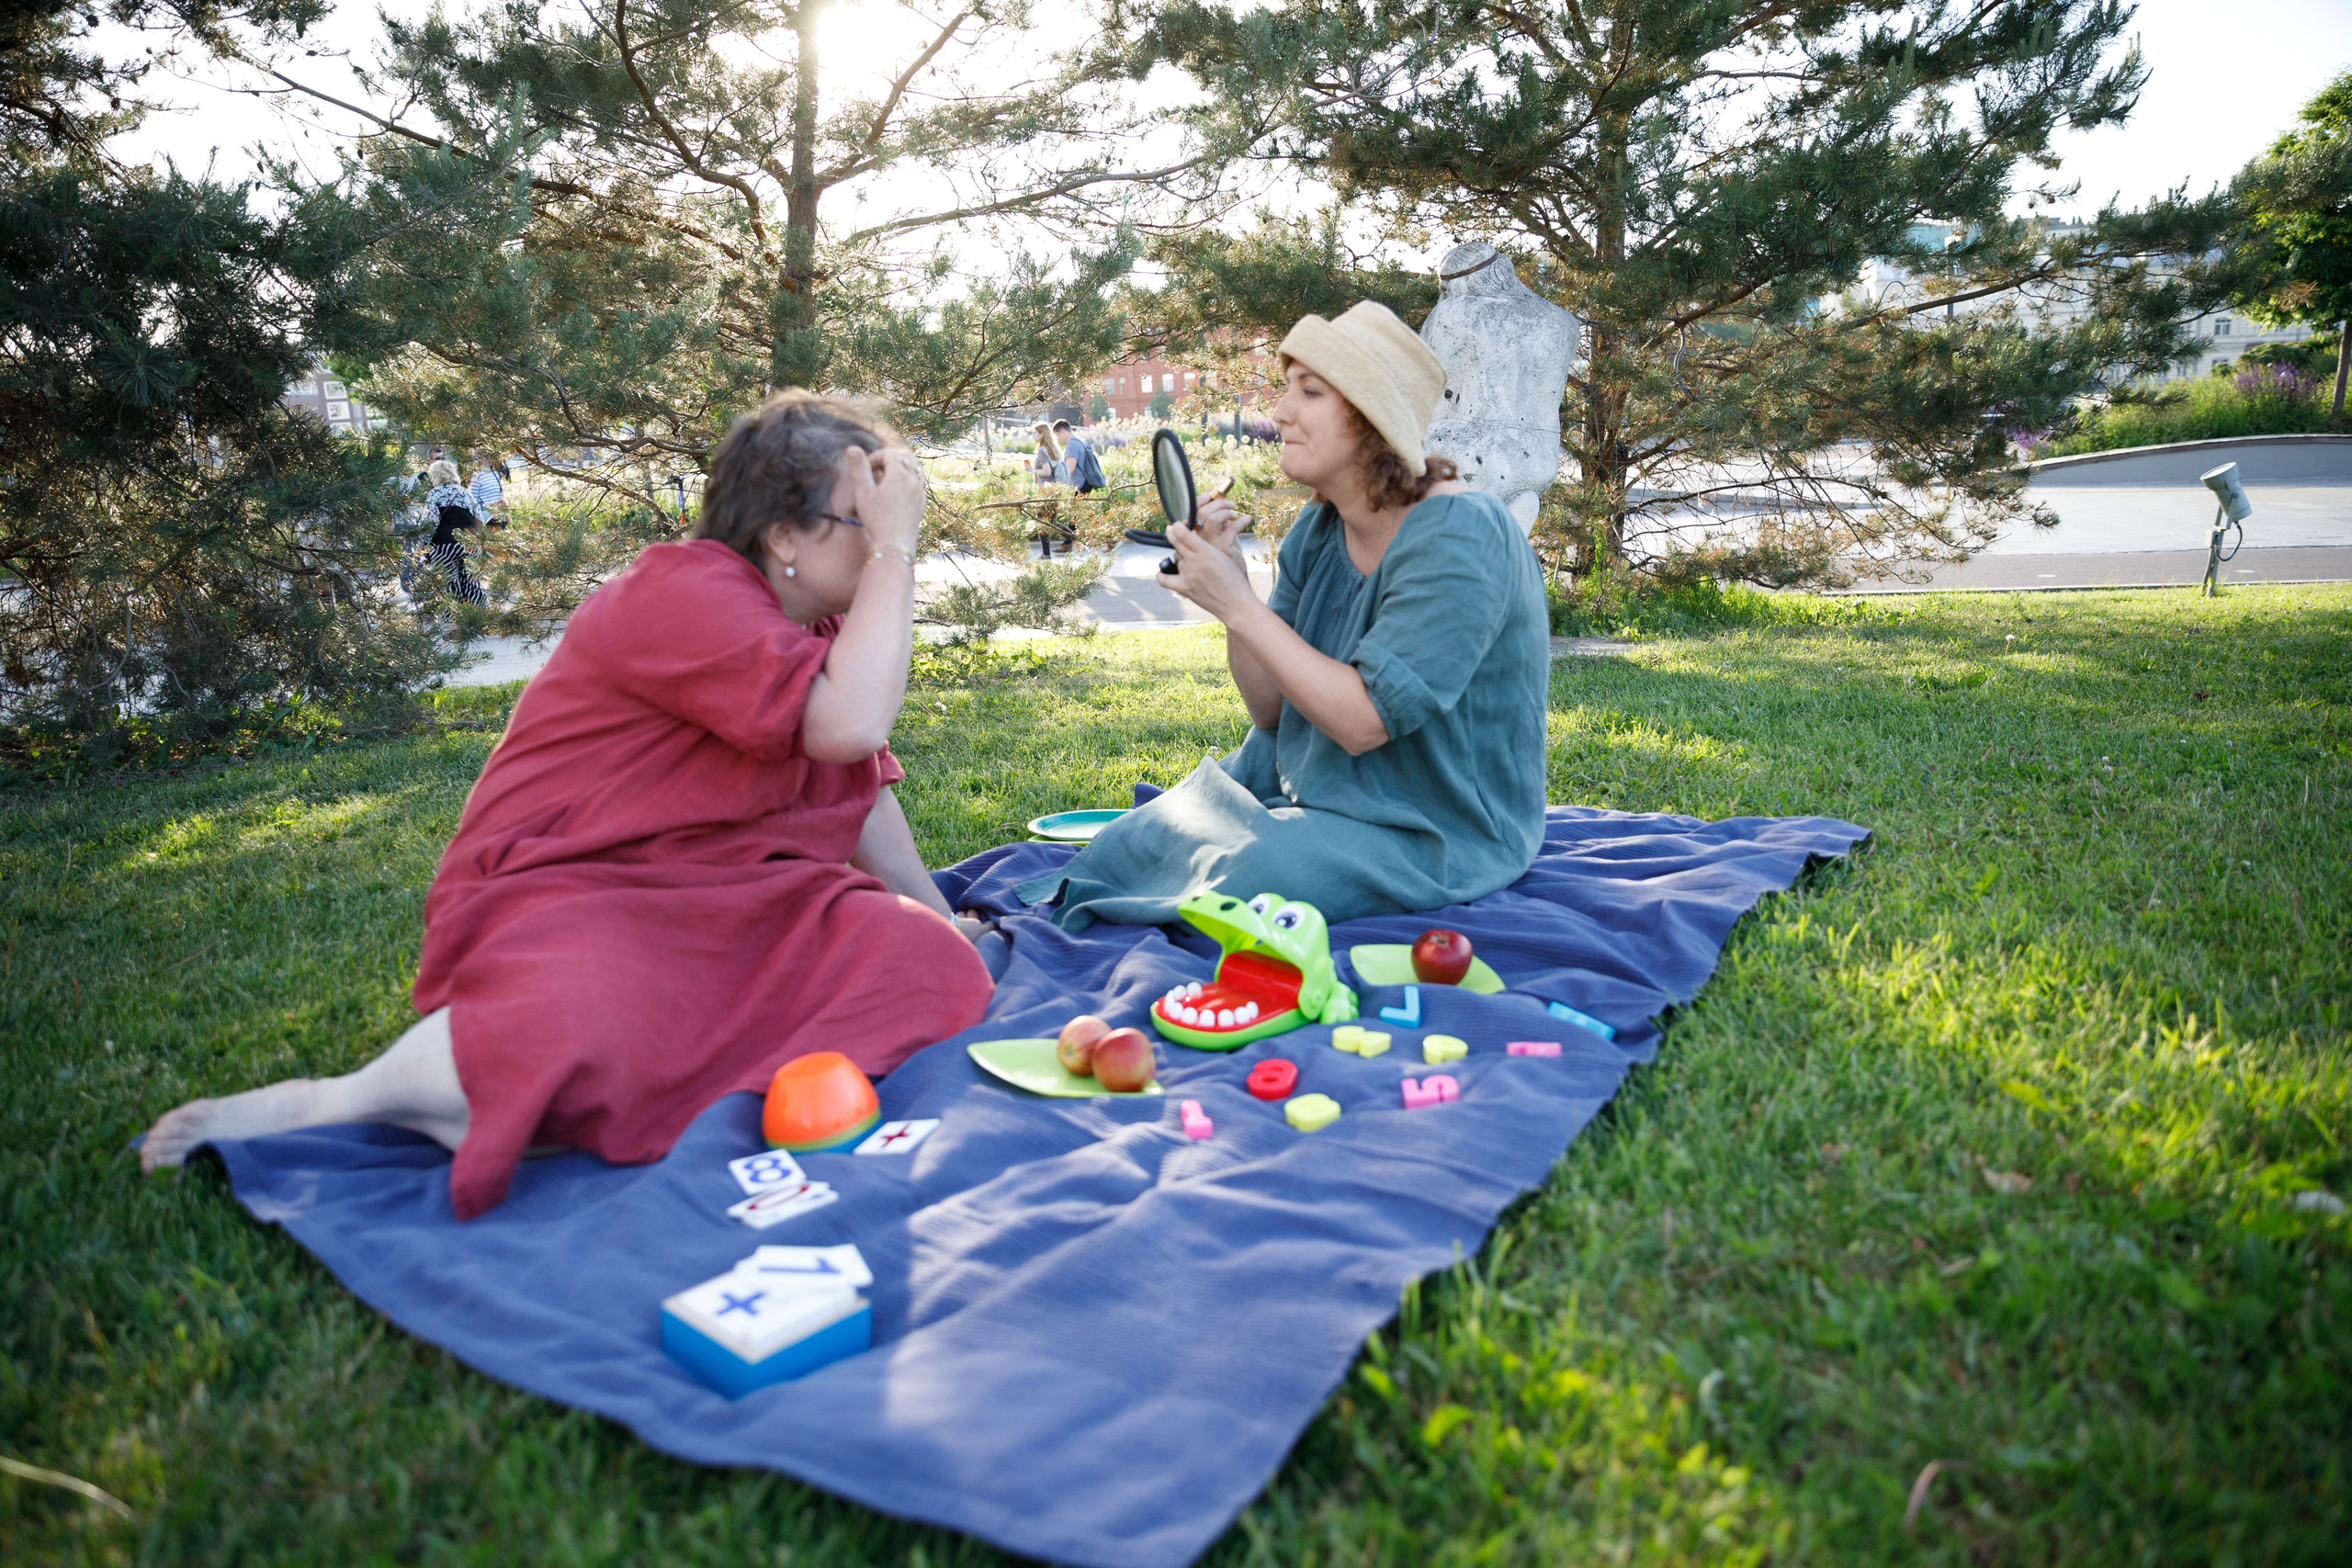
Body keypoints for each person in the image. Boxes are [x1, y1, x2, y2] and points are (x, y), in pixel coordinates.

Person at [139, 392, 996, 1219]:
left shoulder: (822, 626)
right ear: (783, 536)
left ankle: (616, 1092)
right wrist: (895, 555)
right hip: (580, 891)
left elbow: (859, 786)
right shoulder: (682, 592)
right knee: (568, 1021)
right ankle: (354, 1097)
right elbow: (849, 727)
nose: (888, 531)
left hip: (738, 895)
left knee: (932, 963)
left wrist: (936, 914)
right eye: (865, 515)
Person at [1013, 301, 1551, 931]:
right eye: (1286, 387)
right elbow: (1270, 712)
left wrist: (1237, 603)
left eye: (1310, 391)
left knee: (1240, 878)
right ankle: (1044, 911)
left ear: (1371, 418)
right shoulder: (1319, 530)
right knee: (1144, 835)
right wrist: (1234, 589)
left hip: (1433, 824)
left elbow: (1362, 722)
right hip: (1313, 774)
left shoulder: (1461, 534)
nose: (1279, 411)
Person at [420, 459, 493, 604]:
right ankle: (478, 617)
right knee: (472, 583)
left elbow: (430, 524)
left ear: (434, 476)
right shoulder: (466, 493)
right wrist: (479, 546)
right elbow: (479, 522)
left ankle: (455, 621)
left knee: (449, 584)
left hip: (442, 546)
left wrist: (422, 547)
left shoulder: (433, 495)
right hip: (468, 545)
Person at [1057, 418, 1106, 494]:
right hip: (1085, 482)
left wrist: (1062, 484)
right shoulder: (1082, 441)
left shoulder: (1072, 444)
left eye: (1057, 434)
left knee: (1074, 506)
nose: (1058, 438)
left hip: (1077, 485)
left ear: (1063, 431)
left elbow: (1070, 468)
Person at [1028, 421, 1068, 487]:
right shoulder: (1054, 449)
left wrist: (1031, 470)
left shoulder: (1042, 450)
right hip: (1056, 486)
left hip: (1045, 487)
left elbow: (1047, 472)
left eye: (1035, 433)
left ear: (1042, 434)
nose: (1033, 436)